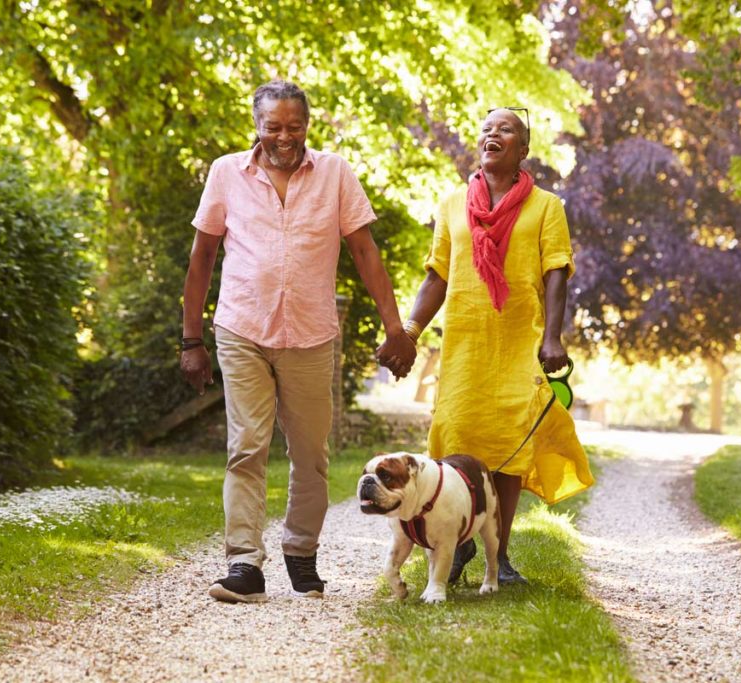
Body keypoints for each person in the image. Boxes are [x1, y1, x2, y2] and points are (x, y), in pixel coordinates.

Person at [180, 80, 416, 603]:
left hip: (310, 335)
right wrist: (190, 339)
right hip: (242, 328)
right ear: (257, 127)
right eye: (273, 127)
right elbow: (201, 258)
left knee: (310, 455)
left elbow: (364, 251)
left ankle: (300, 552)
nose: (284, 137)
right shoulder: (226, 173)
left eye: (294, 126)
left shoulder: (334, 173)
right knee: (246, 449)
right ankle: (244, 564)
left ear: (307, 125)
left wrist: (394, 327)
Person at [390, 107, 594, 584]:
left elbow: (556, 272)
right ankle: (455, 546)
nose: (492, 134)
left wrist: (553, 338)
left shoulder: (546, 207)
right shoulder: (452, 204)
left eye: (505, 129)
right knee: (456, 439)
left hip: (519, 342)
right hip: (464, 345)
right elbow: (437, 275)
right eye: (486, 129)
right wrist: (411, 330)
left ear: (523, 149)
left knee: (509, 449)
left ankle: (496, 557)